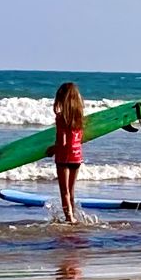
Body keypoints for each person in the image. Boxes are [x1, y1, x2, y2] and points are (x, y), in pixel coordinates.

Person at [45, 82, 84, 223]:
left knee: (64, 191)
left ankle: (69, 218)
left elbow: (62, 141)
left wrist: (52, 150)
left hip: (63, 157)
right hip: (77, 156)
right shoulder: (80, 116)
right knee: (71, 191)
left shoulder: (61, 117)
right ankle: (73, 214)